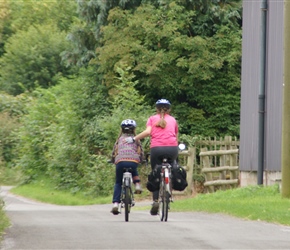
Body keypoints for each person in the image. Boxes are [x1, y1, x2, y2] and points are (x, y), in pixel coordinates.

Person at [125, 99, 178, 215]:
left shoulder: (152, 119)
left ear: (156, 109)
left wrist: (134, 139)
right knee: (174, 165)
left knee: (156, 173)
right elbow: (175, 135)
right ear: (169, 109)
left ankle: (155, 200)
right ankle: (170, 186)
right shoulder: (173, 120)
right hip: (172, 148)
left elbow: (148, 132)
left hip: (156, 149)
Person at [110, 119, 144, 215]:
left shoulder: (119, 140)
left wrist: (113, 160)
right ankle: (137, 184)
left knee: (118, 182)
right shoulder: (136, 139)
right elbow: (141, 152)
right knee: (133, 168)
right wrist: (141, 159)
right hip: (133, 161)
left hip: (120, 161)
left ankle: (116, 204)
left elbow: (114, 152)